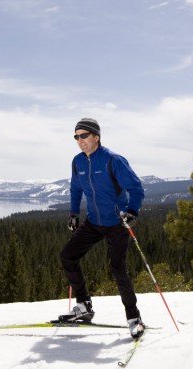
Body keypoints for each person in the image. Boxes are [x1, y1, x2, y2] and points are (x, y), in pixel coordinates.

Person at [59, 118, 146, 339]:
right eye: (76, 137)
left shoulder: (113, 160)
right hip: (93, 222)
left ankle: (134, 318)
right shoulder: (77, 162)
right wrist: (73, 213)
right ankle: (84, 305)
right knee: (68, 256)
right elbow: (75, 189)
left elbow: (136, 188)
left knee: (118, 269)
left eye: (84, 135)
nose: (80, 140)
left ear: (96, 136)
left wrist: (132, 212)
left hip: (117, 223)